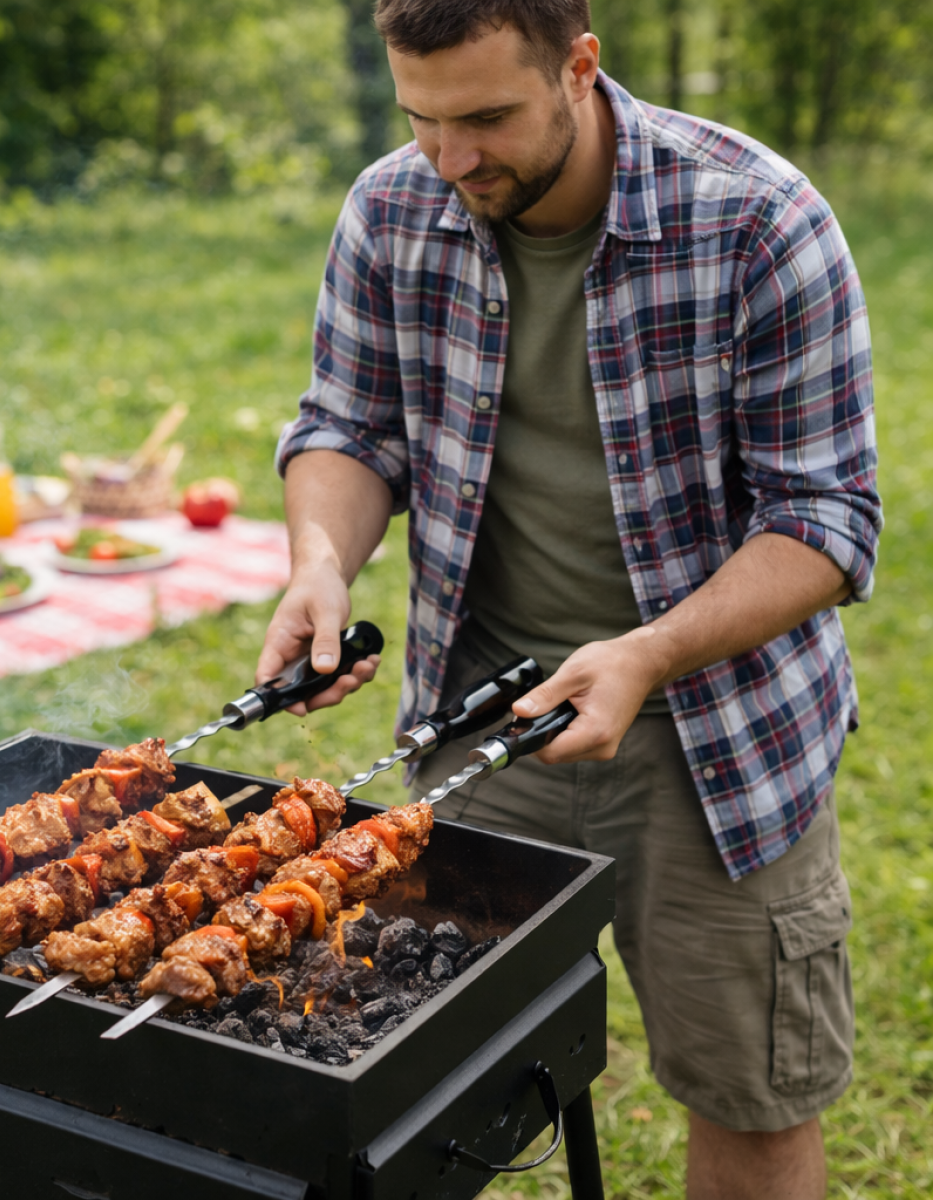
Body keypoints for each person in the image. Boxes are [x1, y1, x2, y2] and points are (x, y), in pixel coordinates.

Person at [258, 2, 881, 1197]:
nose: (451, 160)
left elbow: (826, 520)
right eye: (422, 119)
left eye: (486, 117)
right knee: (431, 1090)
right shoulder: (393, 206)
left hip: (717, 750)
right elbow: (347, 426)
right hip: (481, 735)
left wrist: (649, 652)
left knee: (750, 1098)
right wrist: (322, 564)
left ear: (580, 68)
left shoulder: (756, 218)